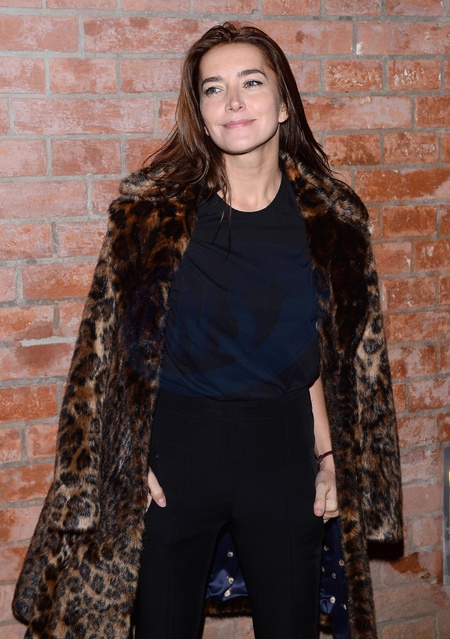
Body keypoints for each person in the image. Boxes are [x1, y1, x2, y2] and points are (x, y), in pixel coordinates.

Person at [13, 22, 402, 639]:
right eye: (214, 89)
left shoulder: (333, 222)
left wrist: (330, 459)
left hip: (282, 458)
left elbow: (325, 359)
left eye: (252, 82)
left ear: (283, 104)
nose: (234, 101)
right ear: (201, 112)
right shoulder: (151, 217)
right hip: (175, 459)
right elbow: (103, 356)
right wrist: (124, 461)